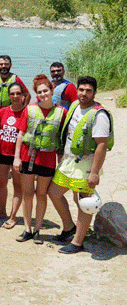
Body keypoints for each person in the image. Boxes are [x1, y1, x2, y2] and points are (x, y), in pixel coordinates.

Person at [47, 76, 113, 254]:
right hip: (69, 161)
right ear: (76, 90)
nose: (84, 93)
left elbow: (102, 145)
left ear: (95, 93)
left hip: (86, 164)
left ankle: (77, 242)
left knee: (85, 201)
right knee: (53, 192)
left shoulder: (99, 114)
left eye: (88, 91)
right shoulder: (75, 105)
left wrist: (94, 172)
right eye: (81, 90)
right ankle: (69, 227)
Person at [13, 75, 67, 244]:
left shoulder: (62, 112)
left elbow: (62, 138)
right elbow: (21, 134)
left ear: (52, 90)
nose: (43, 94)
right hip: (28, 156)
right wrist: (16, 158)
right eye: (40, 92)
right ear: (36, 94)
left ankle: (38, 229)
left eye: (46, 91)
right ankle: (27, 229)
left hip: (48, 159)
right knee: (27, 194)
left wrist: (62, 162)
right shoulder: (28, 110)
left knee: (41, 194)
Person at [0, 83, 26, 229]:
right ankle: (2, 211)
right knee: (1, 184)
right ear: (9, 96)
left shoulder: (27, 113)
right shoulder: (3, 111)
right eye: (12, 93)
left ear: (23, 95)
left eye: (18, 93)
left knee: (17, 186)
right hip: (2, 153)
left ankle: (13, 217)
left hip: (18, 156)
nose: (15, 96)